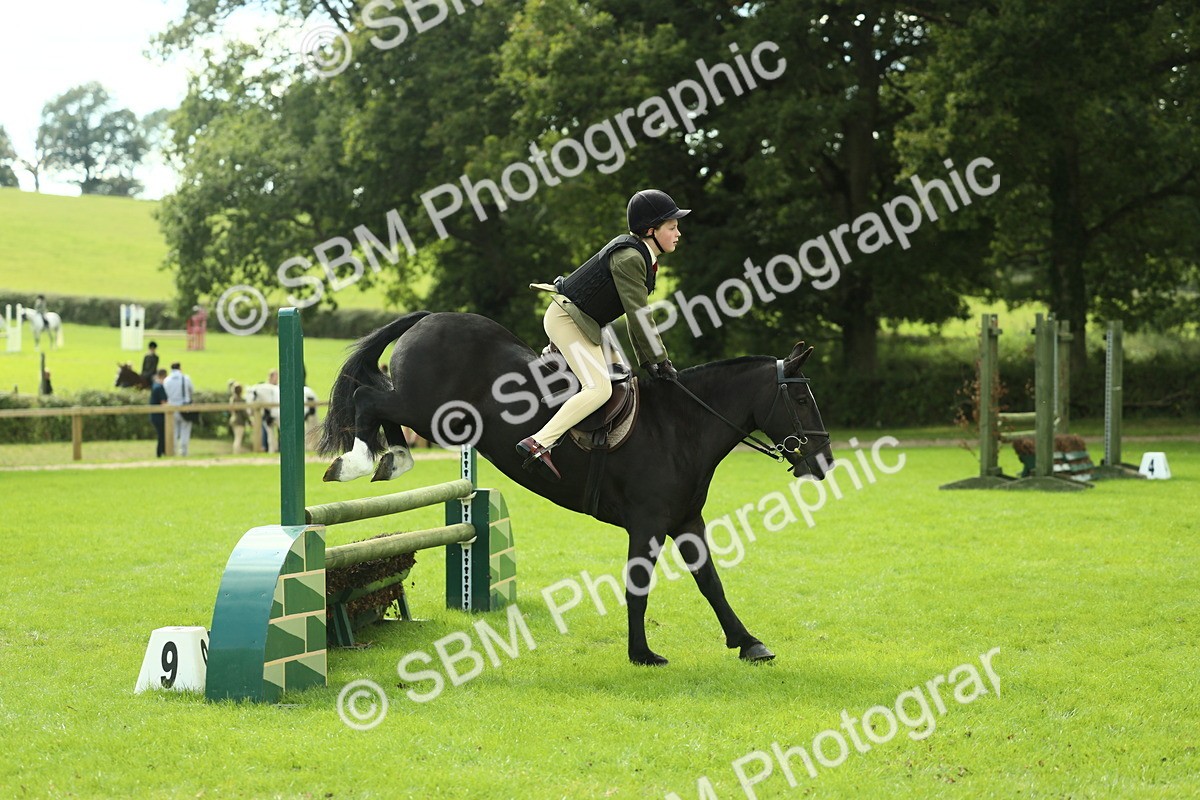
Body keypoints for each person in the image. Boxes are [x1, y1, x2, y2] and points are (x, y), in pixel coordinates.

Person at [516, 189, 688, 481]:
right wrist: (661, 359)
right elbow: (639, 318)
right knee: (599, 389)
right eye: (671, 227)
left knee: (624, 376)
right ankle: (540, 442)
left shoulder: (643, 257)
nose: (678, 233)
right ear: (651, 230)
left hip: (588, 324)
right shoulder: (631, 259)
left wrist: (651, 364)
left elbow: (636, 319)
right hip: (566, 319)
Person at [163, 361, 196, 456]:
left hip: (171, 408)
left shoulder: (167, 380)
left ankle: (172, 451)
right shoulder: (185, 378)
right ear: (180, 368)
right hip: (184, 407)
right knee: (185, 430)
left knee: (173, 431)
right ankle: (183, 452)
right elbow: (191, 390)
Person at [149, 369, 168, 457]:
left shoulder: (154, 385)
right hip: (159, 416)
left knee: (161, 434)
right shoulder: (160, 387)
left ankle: (162, 452)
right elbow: (163, 402)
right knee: (162, 435)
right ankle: (161, 452)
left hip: (154, 415)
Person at [229, 381, 250, 453]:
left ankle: (236, 451)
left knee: (236, 437)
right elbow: (244, 412)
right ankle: (236, 452)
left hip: (233, 420)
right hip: (240, 421)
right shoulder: (242, 400)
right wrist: (249, 421)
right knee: (238, 438)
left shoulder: (232, 399)